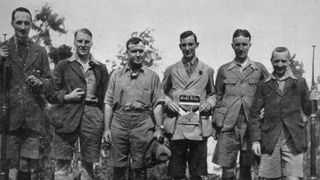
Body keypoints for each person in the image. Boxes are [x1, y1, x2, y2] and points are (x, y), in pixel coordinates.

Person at [249, 47, 320, 180]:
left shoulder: (299, 82)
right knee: (268, 178)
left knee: (293, 178)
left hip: (293, 139)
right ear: (271, 61)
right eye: (276, 61)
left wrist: (313, 100)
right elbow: (254, 115)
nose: (280, 65)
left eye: (283, 61)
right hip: (270, 139)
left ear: (289, 61)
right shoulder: (263, 85)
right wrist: (256, 141)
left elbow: (309, 110)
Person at [48, 28, 109, 179]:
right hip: (67, 116)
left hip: (92, 116)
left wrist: (101, 117)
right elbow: (51, 93)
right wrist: (67, 97)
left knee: (88, 164)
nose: (83, 45)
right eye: (80, 41)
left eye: (86, 42)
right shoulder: (63, 65)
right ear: (74, 42)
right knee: (62, 162)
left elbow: (106, 97)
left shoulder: (100, 67)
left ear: (91, 44)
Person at [0, 7, 52, 180]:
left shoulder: (40, 51)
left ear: (31, 25)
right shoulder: (2, 49)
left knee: (28, 169)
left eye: (26, 23)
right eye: (19, 22)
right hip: (8, 117)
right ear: (12, 23)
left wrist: (40, 83)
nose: (23, 27)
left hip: (32, 118)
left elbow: (50, 82)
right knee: (8, 167)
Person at [103, 37, 164, 180]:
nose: (138, 54)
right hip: (119, 122)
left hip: (142, 123)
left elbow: (158, 104)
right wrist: (107, 129)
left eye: (141, 51)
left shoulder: (152, 76)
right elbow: (108, 103)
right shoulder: (116, 75)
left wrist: (158, 127)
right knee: (118, 167)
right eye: (134, 51)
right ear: (127, 53)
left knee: (140, 168)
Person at [212, 29, 269, 180]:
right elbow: (218, 96)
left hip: (251, 124)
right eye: (237, 44)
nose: (241, 48)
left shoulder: (259, 69)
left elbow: (271, 92)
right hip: (228, 124)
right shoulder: (224, 69)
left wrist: (266, 110)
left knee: (246, 168)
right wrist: (216, 123)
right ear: (232, 45)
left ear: (250, 45)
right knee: (227, 169)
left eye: (244, 44)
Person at [162, 30, 216, 180]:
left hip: (198, 128)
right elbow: (161, 93)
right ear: (180, 46)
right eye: (184, 45)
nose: (187, 48)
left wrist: (209, 103)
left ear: (196, 45)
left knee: (197, 173)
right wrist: (168, 102)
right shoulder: (171, 70)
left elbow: (214, 94)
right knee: (177, 173)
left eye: (190, 44)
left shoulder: (207, 70)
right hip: (177, 127)